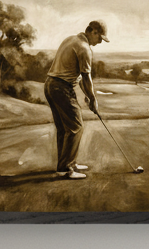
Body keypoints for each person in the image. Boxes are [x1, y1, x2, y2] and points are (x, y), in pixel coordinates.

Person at [44, 20, 108, 179]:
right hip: (61, 88)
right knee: (76, 127)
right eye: (100, 38)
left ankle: (66, 164)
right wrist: (93, 99)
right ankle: (66, 168)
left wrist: (87, 95)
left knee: (64, 128)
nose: (100, 42)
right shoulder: (84, 48)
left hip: (50, 85)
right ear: (93, 32)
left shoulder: (71, 39)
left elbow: (77, 77)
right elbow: (86, 78)